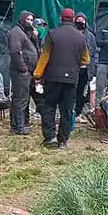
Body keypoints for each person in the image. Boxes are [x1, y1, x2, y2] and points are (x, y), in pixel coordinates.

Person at [33, 8, 90, 149]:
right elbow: (86, 59)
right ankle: (63, 141)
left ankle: (50, 137)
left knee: (49, 107)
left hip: (53, 78)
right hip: (71, 79)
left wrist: (37, 75)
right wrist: (74, 63)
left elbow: (44, 56)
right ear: (73, 19)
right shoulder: (80, 37)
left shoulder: (52, 34)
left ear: (61, 18)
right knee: (66, 111)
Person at [8, 11, 39, 135]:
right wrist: (23, 68)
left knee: (24, 99)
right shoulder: (16, 32)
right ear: (22, 19)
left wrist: (35, 39)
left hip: (28, 71)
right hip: (20, 72)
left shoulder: (25, 33)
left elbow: (34, 49)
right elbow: (15, 51)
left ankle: (24, 123)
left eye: (31, 20)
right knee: (20, 99)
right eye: (28, 19)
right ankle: (18, 126)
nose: (30, 22)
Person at [73, 13, 98, 122]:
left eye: (82, 20)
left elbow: (95, 52)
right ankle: (69, 112)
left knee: (81, 92)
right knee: (70, 91)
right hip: (72, 68)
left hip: (85, 69)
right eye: (78, 19)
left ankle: (78, 113)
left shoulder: (90, 36)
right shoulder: (71, 34)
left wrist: (93, 66)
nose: (80, 22)